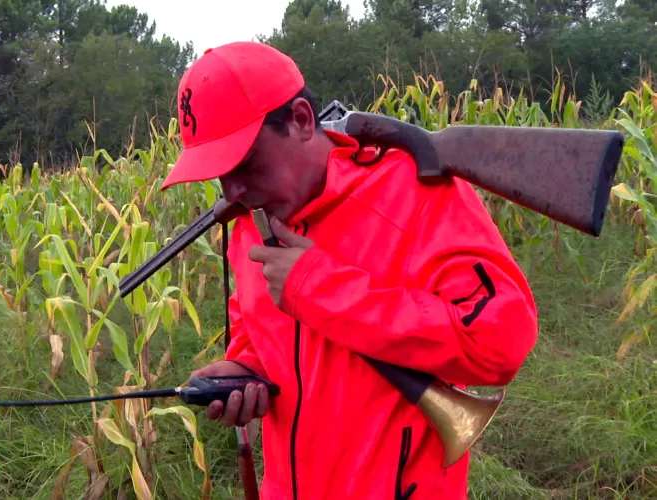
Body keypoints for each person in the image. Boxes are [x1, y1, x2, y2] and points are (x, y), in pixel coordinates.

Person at [160, 41, 538, 499]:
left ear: (301, 120)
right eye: (218, 174)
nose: (233, 189)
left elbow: (498, 343)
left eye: (244, 163)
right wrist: (243, 367)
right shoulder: (248, 223)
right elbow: (255, 328)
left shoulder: (413, 191)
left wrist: (317, 287)